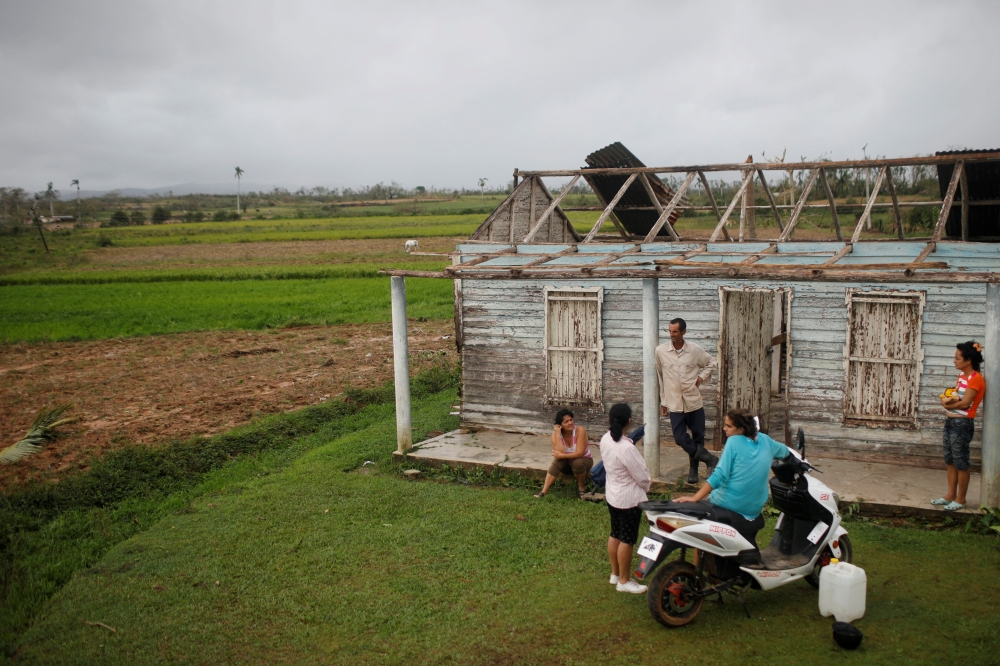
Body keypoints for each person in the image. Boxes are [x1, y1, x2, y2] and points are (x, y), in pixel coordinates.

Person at [675, 409, 789, 547]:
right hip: (754, 510)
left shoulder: (733, 441)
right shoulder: (766, 440)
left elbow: (719, 476)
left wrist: (695, 498)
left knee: (700, 531)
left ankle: (698, 561)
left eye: (728, 426)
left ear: (741, 429)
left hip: (728, 504)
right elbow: (786, 452)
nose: (724, 429)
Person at [655, 317, 719, 485]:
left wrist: (701, 378)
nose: (672, 334)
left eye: (675, 331)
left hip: (693, 401)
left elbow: (712, 363)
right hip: (674, 402)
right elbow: (661, 378)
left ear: (683, 332)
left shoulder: (695, 350)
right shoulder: (661, 351)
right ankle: (710, 459)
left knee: (698, 436)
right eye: (669, 331)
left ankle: (693, 471)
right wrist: (663, 401)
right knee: (680, 438)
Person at [601, 403, 652, 594]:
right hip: (629, 500)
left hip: (613, 495)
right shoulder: (626, 448)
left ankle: (615, 574)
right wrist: (648, 485)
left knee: (615, 533)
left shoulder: (605, 439)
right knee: (627, 540)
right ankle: (623, 580)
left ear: (609, 420)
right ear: (629, 422)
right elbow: (642, 477)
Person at [932, 341, 985, 511]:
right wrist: (947, 399)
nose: (954, 361)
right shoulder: (962, 376)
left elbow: (965, 404)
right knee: (950, 460)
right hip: (951, 422)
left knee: (961, 462)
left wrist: (947, 406)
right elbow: (957, 397)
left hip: (962, 424)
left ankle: (961, 499)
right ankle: (950, 495)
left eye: (957, 358)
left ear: (968, 360)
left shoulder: (976, 379)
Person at [534, 409, 592, 498]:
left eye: (571, 420)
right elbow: (559, 454)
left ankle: (582, 489)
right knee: (557, 462)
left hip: (584, 462)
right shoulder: (555, 435)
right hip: (568, 465)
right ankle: (543, 492)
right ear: (560, 425)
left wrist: (562, 455)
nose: (570, 423)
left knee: (577, 462)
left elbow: (580, 453)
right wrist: (558, 435)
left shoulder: (580, 431)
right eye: (566, 422)